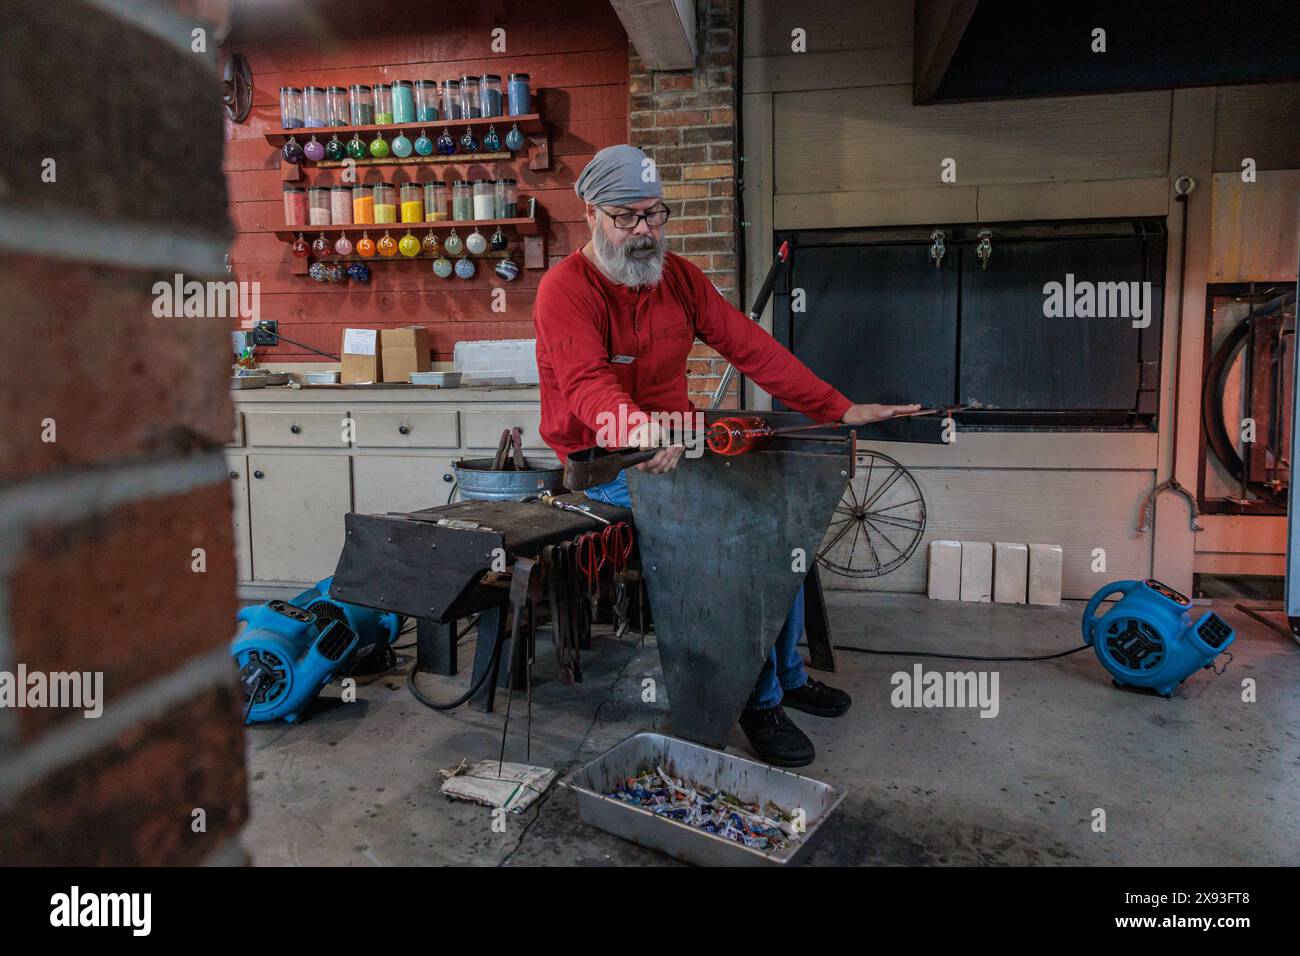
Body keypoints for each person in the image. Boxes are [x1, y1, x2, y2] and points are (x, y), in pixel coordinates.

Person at [531, 144, 920, 767]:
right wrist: (638, 431)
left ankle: (787, 673)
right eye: (626, 218)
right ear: (591, 214)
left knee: (784, 525)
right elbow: (584, 387)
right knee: (739, 538)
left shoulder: (679, 278)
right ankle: (755, 699)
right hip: (604, 458)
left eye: (655, 216)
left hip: (673, 442)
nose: (644, 233)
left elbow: (751, 348)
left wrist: (836, 408)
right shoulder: (564, 289)